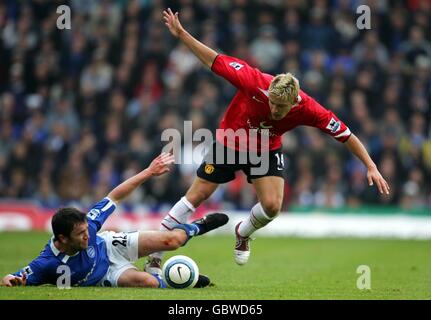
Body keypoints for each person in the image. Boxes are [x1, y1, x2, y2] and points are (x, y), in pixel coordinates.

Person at [145, 8, 391, 273]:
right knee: (196, 196)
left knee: (273, 206)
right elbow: (214, 60)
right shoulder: (253, 81)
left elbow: (346, 135)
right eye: (272, 103)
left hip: (265, 149)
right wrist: (181, 34)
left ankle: (243, 232)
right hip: (230, 141)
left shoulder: (309, 108)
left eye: (280, 107)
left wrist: (371, 165)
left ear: (293, 103)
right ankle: (155, 255)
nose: (274, 110)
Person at [1, 153, 228, 288]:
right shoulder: (47, 263)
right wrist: (12, 280)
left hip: (111, 247)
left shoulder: (88, 225)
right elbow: (12, 278)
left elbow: (115, 196)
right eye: (80, 235)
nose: (87, 235)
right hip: (106, 276)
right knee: (149, 283)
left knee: (173, 240)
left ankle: (199, 225)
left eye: (86, 231)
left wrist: (149, 172)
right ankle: (180, 279)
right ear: (62, 238)